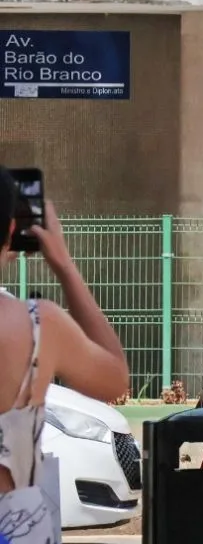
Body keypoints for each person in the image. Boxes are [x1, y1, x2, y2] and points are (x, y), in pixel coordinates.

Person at [0, 169, 129, 534]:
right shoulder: (39, 325)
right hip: (16, 523)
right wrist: (65, 266)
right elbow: (115, 378)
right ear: (13, 231)